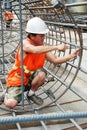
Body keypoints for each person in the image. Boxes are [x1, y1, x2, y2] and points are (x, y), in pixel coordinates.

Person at [0, 17, 80, 108]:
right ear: (32, 36)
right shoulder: (25, 44)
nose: (43, 37)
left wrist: (71, 55)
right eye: (41, 35)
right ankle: (6, 94)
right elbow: (33, 50)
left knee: (42, 73)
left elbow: (56, 60)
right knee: (10, 104)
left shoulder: (43, 47)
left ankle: (31, 94)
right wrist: (56, 47)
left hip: (31, 80)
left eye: (44, 35)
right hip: (18, 79)